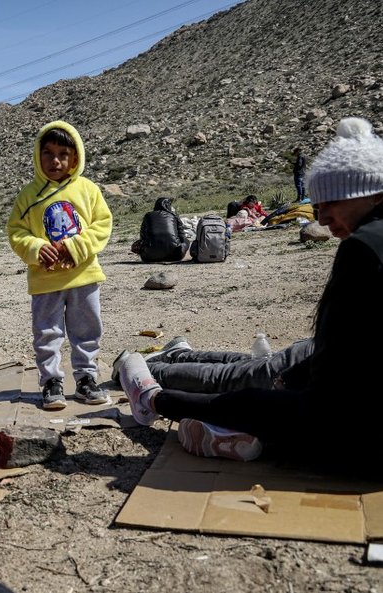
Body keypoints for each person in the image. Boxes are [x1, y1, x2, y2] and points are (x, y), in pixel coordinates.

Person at [116, 117, 383, 470]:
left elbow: (331, 387)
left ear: (373, 194)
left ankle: (152, 397)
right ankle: (168, 371)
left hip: (359, 439)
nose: (321, 214)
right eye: (317, 204)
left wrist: (288, 390)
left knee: (249, 394)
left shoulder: (364, 248)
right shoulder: (367, 240)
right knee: (259, 372)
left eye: (331, 201)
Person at [6, 120, 113, 410]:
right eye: (48, 153)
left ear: (75, 157)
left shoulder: (88, 190)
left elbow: (102, 225)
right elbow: (16, 231)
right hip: (46, 280)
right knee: (47, 332)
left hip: (84, 275)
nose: (55, 160)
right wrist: (37, 248)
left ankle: (87, 378)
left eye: (63, 154)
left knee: (87, 329)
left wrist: (75, 247)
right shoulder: (29, 195)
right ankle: (51, 382)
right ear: (37, 156)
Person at [112, 336, 315, 393]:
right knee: (229, 378)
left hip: (314, 350)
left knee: (251, 366)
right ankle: (139, 370)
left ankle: (177, 355)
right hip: (315, 362)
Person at [133, 197, 190, 262]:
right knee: (186, 241)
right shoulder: (173, 216)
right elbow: (182, 235)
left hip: (149, 257)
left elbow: (143, 235)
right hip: (175, 256)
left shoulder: (148, 215)